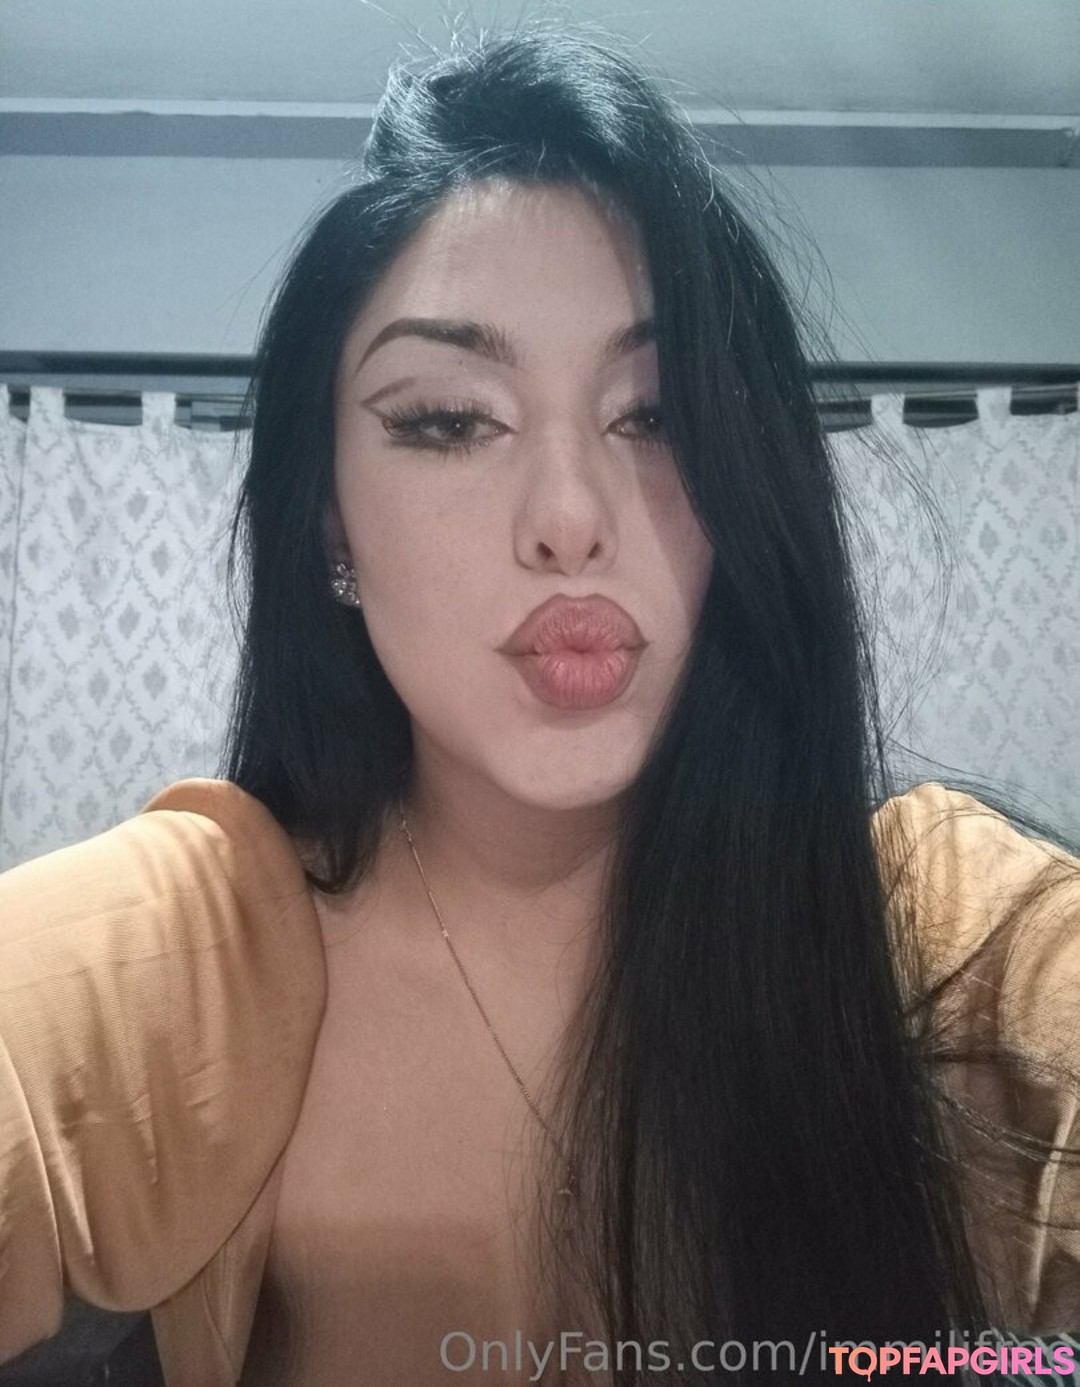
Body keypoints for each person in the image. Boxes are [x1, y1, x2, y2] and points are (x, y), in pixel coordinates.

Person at [2, 23, 1079, 1387]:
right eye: (450, 420)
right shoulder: (200, 938)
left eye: (658, 415)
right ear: (329, 525)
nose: (571, 519)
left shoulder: (932, 928)